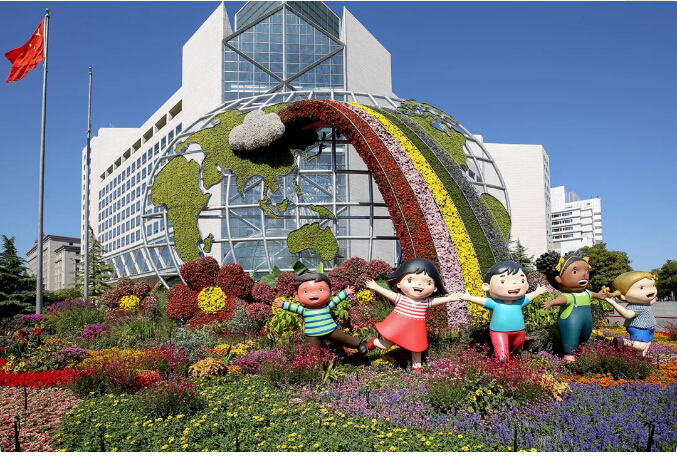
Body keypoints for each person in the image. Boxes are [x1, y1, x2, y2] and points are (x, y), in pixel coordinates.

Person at [365, 258, 461, 374]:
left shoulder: (425, 302)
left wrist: (450, 298)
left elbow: (436, 301)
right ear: (399, 284)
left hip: (415, 329)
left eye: (428, 283)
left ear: (435, 288)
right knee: (386, 345)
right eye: (410, 280)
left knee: (416, 347)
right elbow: (389, 294)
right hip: (397, 326)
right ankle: (374, 341)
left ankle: (417, 367)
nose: (419, 284)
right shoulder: (402, 299)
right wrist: (376, 287)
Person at [460, 261, 548, 361]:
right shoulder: (495, 303)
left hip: (519, 331)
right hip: (499, 332)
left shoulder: (520, 302)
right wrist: (469, 297)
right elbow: (482, 301)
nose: (514, 284)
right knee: (502, 357)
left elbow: (529, 296)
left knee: (517, 347)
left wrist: (538, 292)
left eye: (522, 280)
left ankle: (513, 365)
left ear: (527, 285)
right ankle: (502, 365)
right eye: (502, 281)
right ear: (486, 286)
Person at [274, 272, 369, 355]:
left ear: (331, 293)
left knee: (344, 338)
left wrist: (346, 292)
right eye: (306, 291)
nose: (313, 294)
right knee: (313, 353)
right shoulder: (304, 310)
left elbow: (336, 299)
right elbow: (294, 307)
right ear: (297, 297)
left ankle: (359, 344)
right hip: (312, 334)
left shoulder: (327, 306)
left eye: (320, 290)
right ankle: (318, 367)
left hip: (330, 329)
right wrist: (283, 304)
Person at [536, 250, 607, 361]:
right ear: (559, 279)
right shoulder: (569, 296)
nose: (584, 275)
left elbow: (595, 295)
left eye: (586, 271)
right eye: (575, 272)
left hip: (587, 321)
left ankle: (581, 353)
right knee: (571, 336)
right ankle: (569, 356)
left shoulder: (587, 293)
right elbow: (561, 300)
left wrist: (600, 295)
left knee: (585, 336)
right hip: (570, 321)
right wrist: (550, 303)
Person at [604, 271, 658, 357]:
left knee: (648, 342)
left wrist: (653, 299)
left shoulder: (646, 303)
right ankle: (623, 342)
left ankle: (640, 359)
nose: (650, 290)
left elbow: (652, 301)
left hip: (650, 326)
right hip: (639, 328)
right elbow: (628, 315)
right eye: (641, 288)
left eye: (653, 286)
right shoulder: (635, 306)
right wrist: (614, 303)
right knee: (641, 346)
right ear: (623, 296)